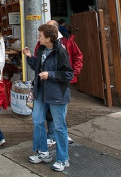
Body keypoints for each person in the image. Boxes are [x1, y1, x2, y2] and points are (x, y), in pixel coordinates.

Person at [23, 24, 73, 172]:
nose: (38, 37)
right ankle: (42, 152)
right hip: (41, 93)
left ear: (49, 38)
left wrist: (50, 74)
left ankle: (63, 159)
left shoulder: (61, 52)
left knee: (59, 127)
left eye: (40, 35)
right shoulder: (42, 49)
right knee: (37, 121)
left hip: (57, 95)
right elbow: (38, 68)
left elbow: (68, 75)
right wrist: (30, 57)